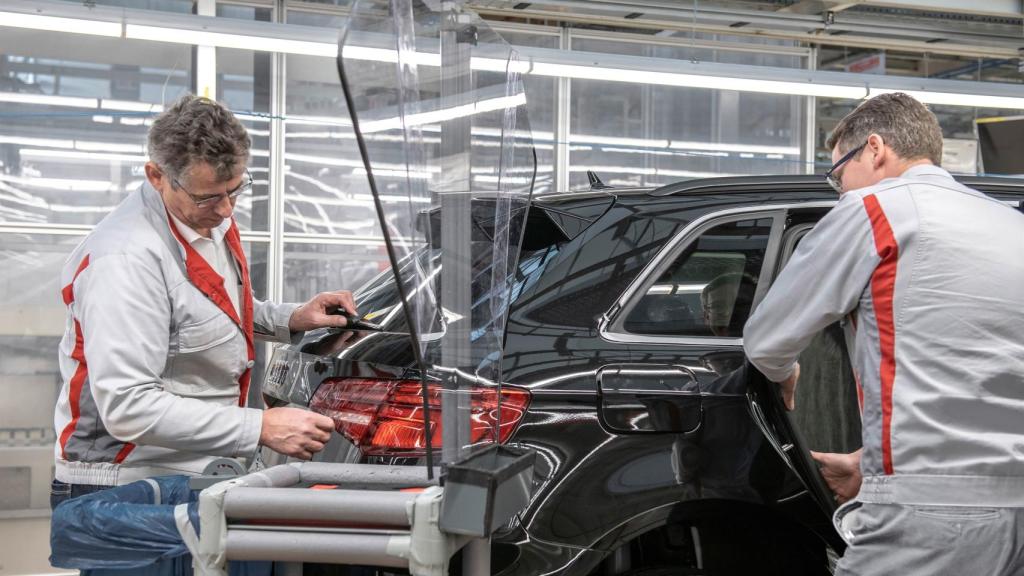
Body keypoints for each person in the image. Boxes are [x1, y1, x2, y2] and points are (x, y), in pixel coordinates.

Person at [743, 92, 1024, 574]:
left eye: (838, 173)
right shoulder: (1011, 224)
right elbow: (980, 370)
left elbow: (767, 339)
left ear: (874, 149)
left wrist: (783, 371)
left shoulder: (876, 210)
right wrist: (870, 462)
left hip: (927, 513)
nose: (840, 190)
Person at [53, 95, 354, 510]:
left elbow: (211, 311)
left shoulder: (205, 218)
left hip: (196, 469)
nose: (226, 208)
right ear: (157, 176)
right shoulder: (124, 260)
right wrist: (259, 427)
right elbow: (126, 406)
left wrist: (293, 318)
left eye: (235, 190)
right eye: (208, 197)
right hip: (128, 484)